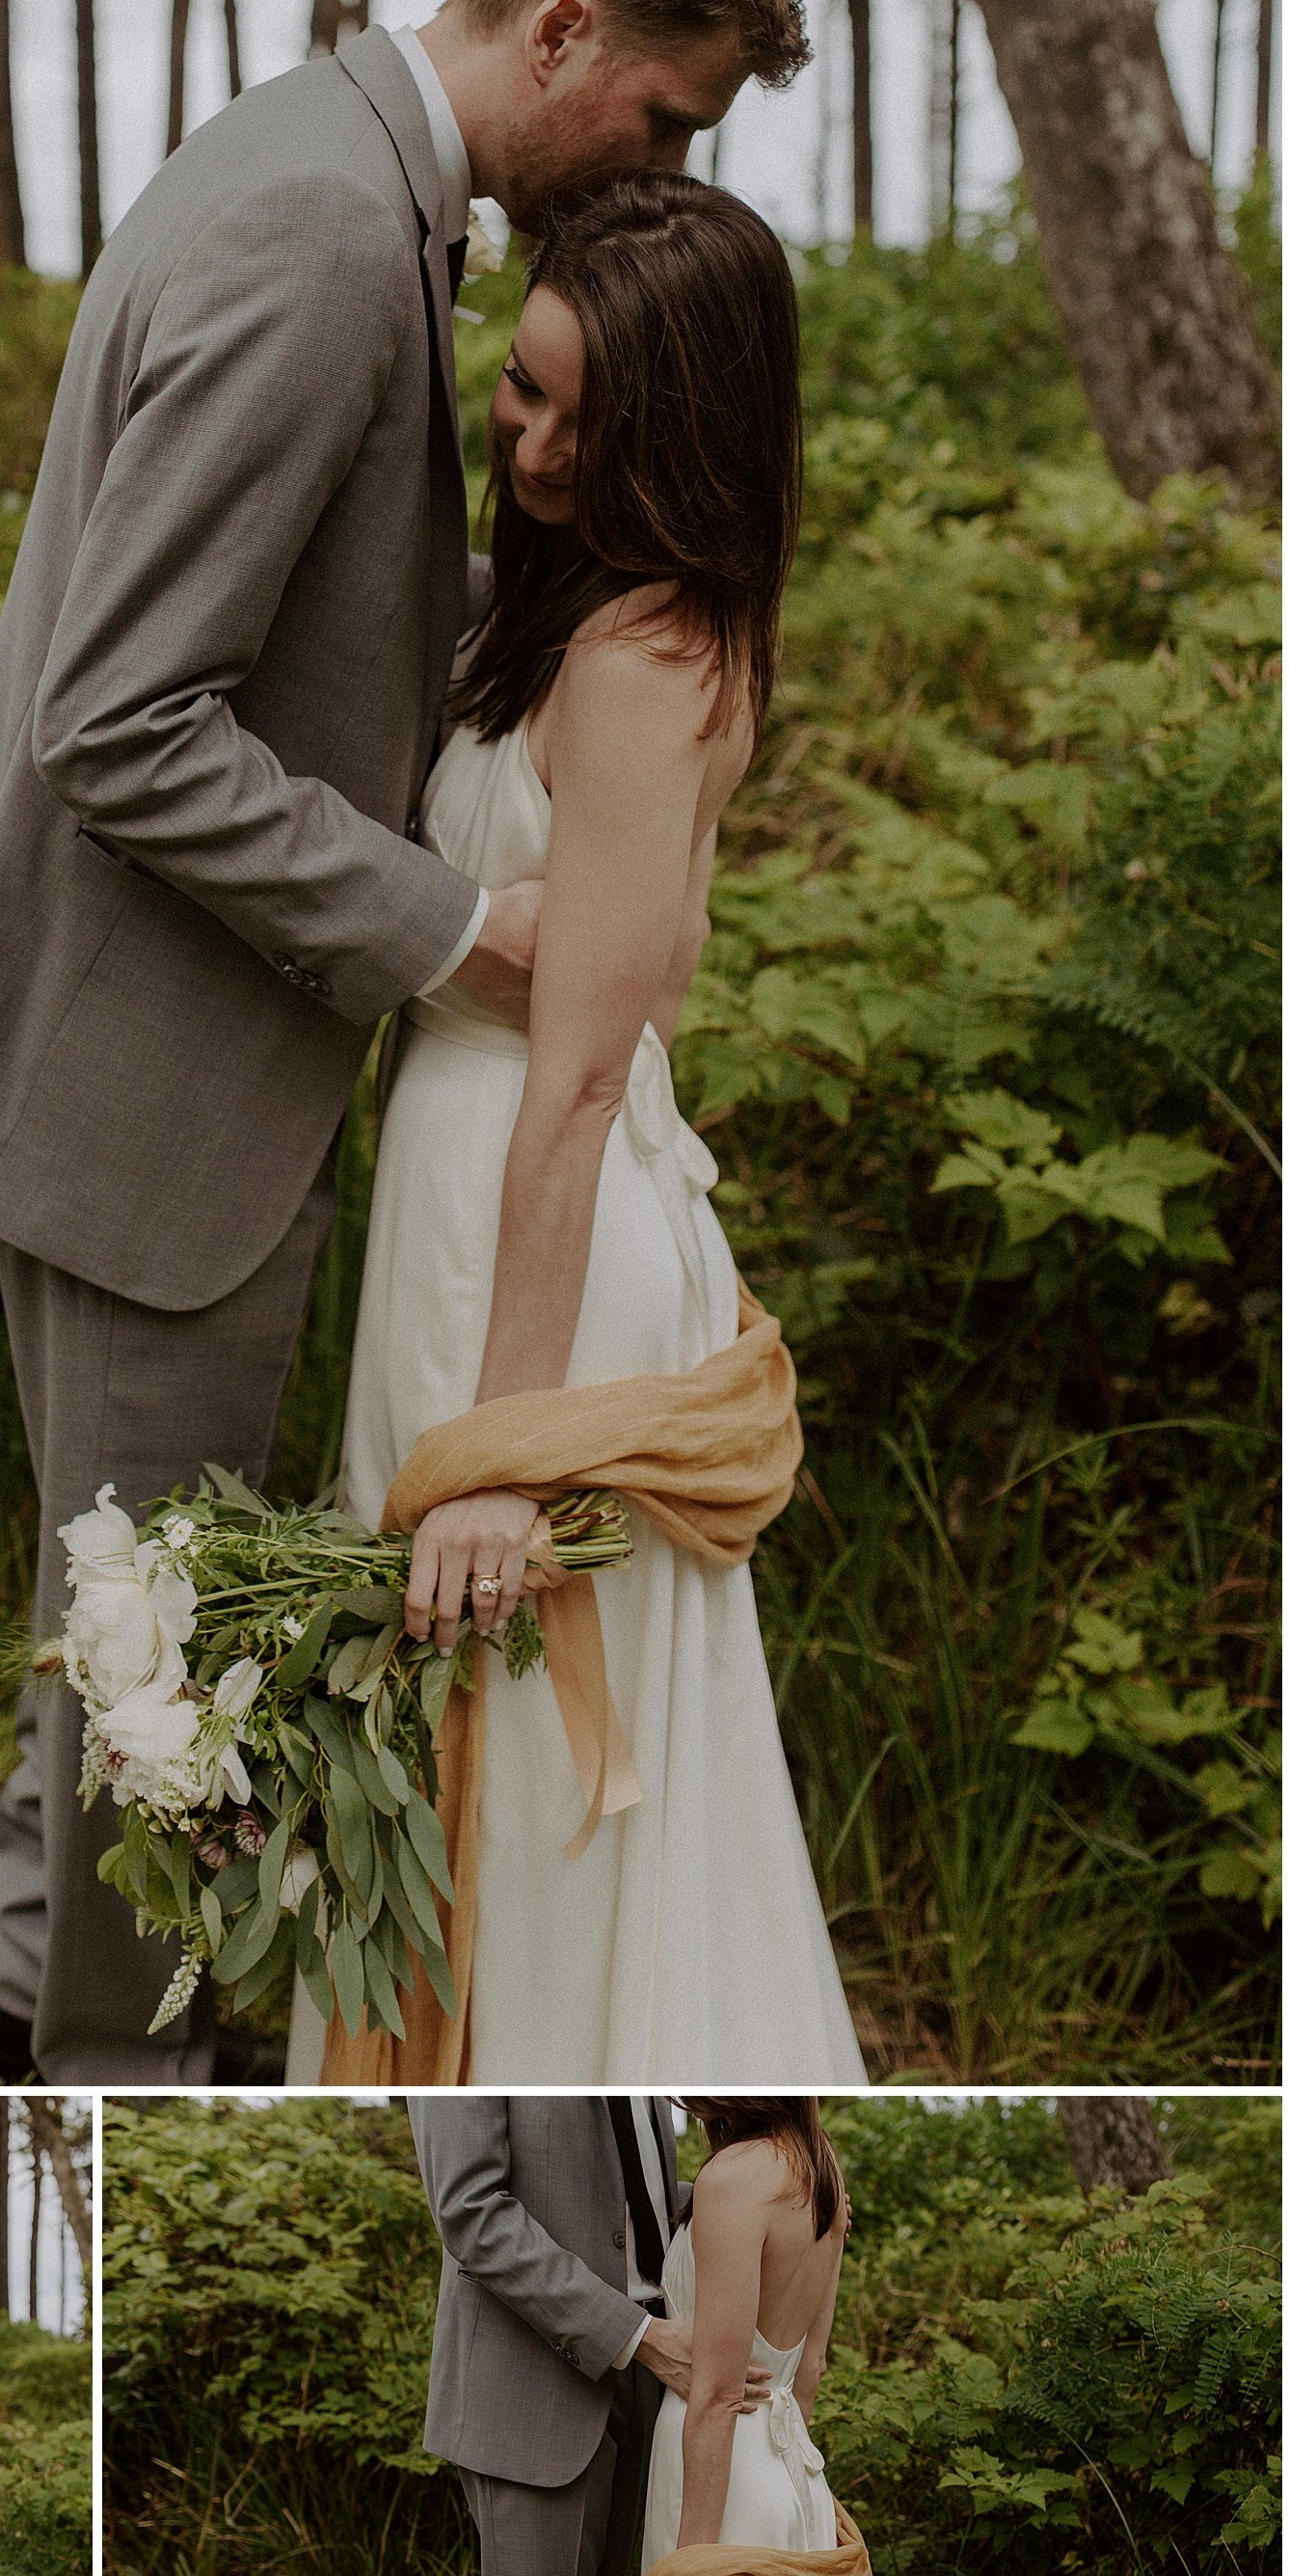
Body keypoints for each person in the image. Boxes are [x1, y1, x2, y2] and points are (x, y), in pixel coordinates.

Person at [0, 0, 810, 2082]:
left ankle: (60, 2024)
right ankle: (106, 2087)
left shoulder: (333, 174)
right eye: (663, 109)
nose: (647, 161)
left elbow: (317, 624)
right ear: (568, 23)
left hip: (149, 1071)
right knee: (153, 1688)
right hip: (139, 1100)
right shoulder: (320, 232)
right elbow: (122, 710)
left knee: (118, 1649)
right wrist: (442, 919)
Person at [292, 188, 863, 2089]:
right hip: (456, 1188)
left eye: (581, 427)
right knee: (441, 1702)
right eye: (520, 393)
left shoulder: (652, 663)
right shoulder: (558, 602)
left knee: (536, 1737)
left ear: (679, 438)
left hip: (545, 1234)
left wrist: (505, 1454)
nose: (530, 448)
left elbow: (590, 1075)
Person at [406, 2085, 690, 2576]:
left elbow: (631, 2201)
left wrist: (779, 2186)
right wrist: (632, 2333)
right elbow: (472, 2211)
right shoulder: (482, 2031)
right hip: (530, 2385)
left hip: (641, 2379)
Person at [630, 2098, 889, 2576]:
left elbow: (712, 2394)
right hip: (788, 2469)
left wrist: (690, 2572)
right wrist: (783, 2482)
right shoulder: (818, 2168)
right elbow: (805, 2372)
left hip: (720, 2477)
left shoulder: (737, 2178)